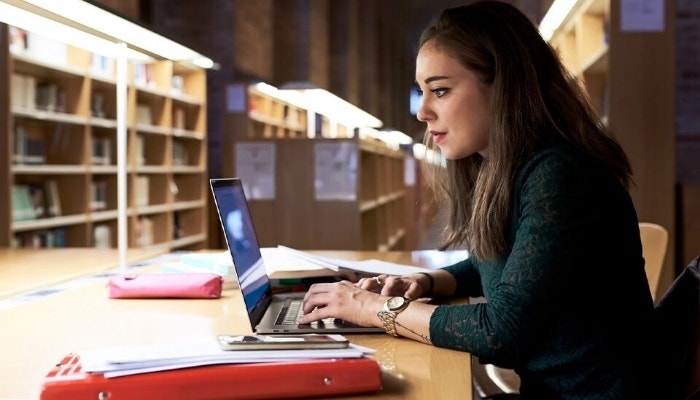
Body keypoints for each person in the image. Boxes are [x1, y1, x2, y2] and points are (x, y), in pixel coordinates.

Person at [300, 1, 657, 399]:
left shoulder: (560, 175)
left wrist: (371, 309)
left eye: (440, 90)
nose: (422, 112)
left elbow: (501, 332)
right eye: (422, 92)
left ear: (503, 86)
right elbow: (503, 261)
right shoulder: (512, 168)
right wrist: (424, 280)